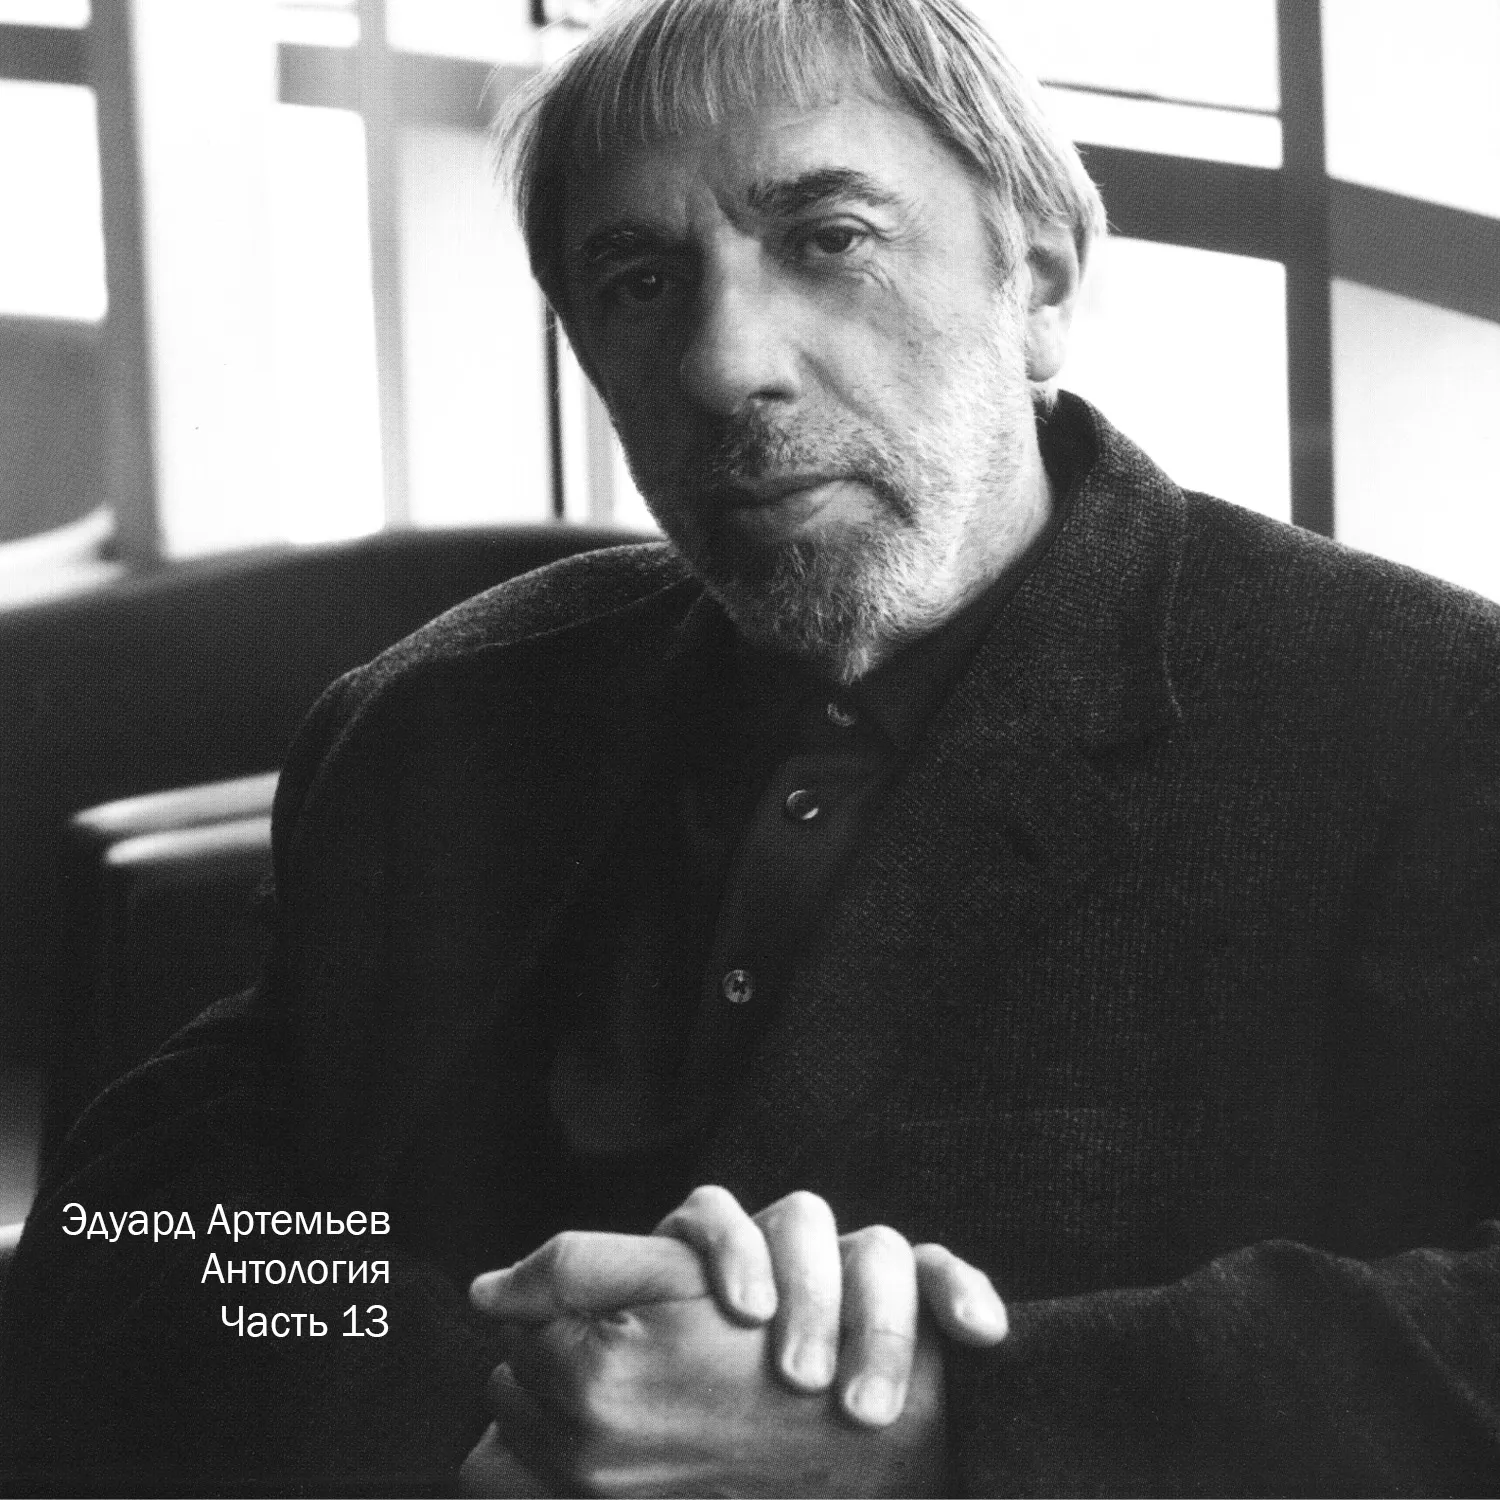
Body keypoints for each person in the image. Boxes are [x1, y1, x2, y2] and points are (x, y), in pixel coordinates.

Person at [5, 0, 1500, 1493]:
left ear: (1040, 279)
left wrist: (937, 1426)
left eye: (829, 240)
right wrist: (510, 1393)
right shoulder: (440, 721)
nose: (723, 364)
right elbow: (149, 1228)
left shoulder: (1428, 726)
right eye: (639, 282)